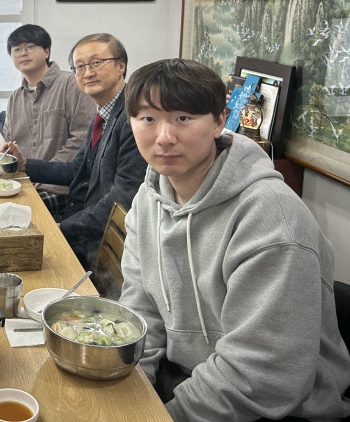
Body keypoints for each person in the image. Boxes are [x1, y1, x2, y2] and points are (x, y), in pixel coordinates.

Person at [120, 58, 350, 421]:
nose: (164, 137)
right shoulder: (149, 197)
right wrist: (129, 392)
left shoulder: (271, 218)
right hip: (186, 382)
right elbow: (141, 308)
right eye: (148, 118)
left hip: (277, 409)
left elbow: (264, 374)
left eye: (183, 118)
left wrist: (162, 417)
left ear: (218, 121)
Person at [2, 33, 146, 275]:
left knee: (13, 257)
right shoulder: (104, 112)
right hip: (83, 222)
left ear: (121, 65)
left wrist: (62, 228)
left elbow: (121, 200)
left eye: (96, 63)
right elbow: (75, 169)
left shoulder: (134, 118)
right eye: (80, 66)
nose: (88, 72)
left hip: (98, 246)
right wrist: (24, 165)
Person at [2, 24, 95, 217]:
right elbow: (10, 142)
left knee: (12, 214)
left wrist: (43, 172)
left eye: (30, 47)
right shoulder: (15, 98)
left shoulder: (71, 83)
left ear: (46, 51)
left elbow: (82, 139)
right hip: (22, 182)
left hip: (58, 186)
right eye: (16, 49)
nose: (23, 53)